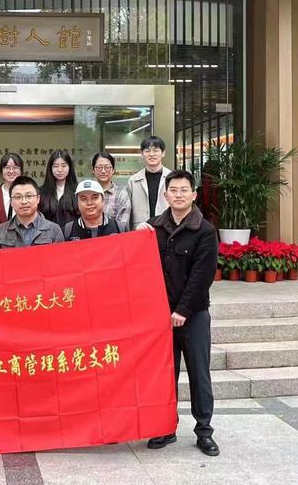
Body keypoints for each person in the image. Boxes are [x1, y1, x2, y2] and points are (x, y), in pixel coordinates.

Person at [142, 169, 219, 457]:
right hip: (160, 317)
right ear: (165, 195)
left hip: (194, 315)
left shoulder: (205, 230)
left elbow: (202, 275)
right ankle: (166, 427)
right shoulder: (153, 228)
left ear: (194, 194)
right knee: (165, 375)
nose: (178, 195)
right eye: (173, 190)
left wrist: (183, 310)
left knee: (199, 374)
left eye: (184, 190)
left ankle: (204, 431)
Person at [0, 176, 64, 248]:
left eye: (29, 196)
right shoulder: (0, 231)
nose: (24, 201)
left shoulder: (54, 230)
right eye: (18, 197)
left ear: (38, 199)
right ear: (11, 202)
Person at [126, 135, 172, 229]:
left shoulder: (172, 178)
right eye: (147, 151)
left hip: (167, 229)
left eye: (156, 150)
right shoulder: (133, 181)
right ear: (142, 153)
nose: (151, 154)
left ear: (163, 153)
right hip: (140, 230)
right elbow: (127, 212)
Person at [0, 152, 24, 237]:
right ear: (1, 171)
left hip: (25, 241)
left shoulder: (29, 194)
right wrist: (0, 239)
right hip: (0, 241)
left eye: (15, 167)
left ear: (21, 171)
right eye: (7, 167)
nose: (11, 171)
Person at [91, 152, 130, 231]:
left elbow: (122, 227)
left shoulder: (121, 194)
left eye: (107, 167)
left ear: (113, 170)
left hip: (114, 237)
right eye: (99, 167)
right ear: (93, 170)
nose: (103, 171)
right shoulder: (88, 193)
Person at [39, 149, 78, 228]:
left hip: (72, 234)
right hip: (48, 234)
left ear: (70, 167)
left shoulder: (77, 191)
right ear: (50, 168)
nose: (60, 170)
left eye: (64, 166)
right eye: (56, 166)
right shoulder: (41, 192)